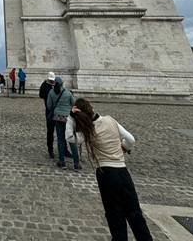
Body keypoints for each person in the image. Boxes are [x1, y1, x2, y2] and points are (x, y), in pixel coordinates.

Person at [66, 98, 153, 240]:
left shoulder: (88, 131)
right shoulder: (110, 120)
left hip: (106, 174)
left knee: (115, 216)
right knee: (135, 213)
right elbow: (131, 139)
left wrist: (70, 117)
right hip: (123, 173)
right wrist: (123, 148)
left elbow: (69, 137)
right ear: (92, 107)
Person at [46, 76, 80, 170]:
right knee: (71, 139)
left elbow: (49, 106)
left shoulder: (51, 93)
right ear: (62, 84)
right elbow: (74, 104)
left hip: (58, 118)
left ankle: (62, 162)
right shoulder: (67, 93)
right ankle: (76, 163)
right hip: (68, 119)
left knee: (60, 140)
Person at [39, 71, 56, 159]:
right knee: (50, 131)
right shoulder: (44, 85)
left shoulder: (57, 84)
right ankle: (50, 150)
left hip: (58, 111)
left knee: (62, 131)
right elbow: (41, 95)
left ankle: (65, 150)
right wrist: (49, 95)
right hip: (49, 111)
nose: (52, 81)